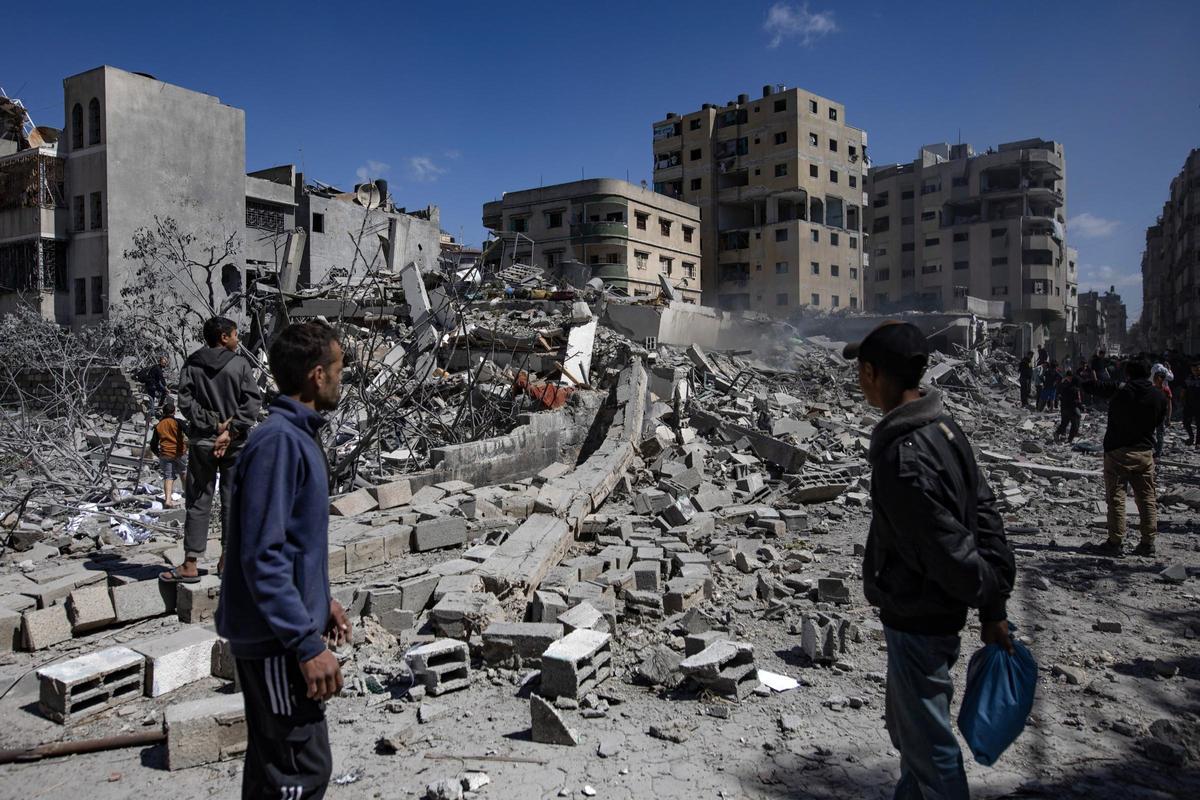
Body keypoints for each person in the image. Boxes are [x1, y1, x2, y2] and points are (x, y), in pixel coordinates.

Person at [843, 321, 1016, 800]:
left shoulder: (905, 458)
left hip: (919, 618)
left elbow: (950, 552)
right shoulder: (946, 429)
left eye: (861, 371)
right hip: (929, 614)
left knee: (928, 747)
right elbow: (985, 515)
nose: (858, 381)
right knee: (911, 735)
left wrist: (990, 600)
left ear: (873, 374)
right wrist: (994, 602)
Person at [216, 321, 350, 800]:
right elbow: (262, 555)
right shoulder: (278, 443)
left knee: (272, 767)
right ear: (317, 375)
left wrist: (322, 603)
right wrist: (305, 643)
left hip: (285, 634)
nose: (341, 379)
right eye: (338, 369)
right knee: (299, 771)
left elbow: (296, 544)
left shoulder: (299, 437)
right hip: (276, 645)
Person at [163, 317, 262, 584]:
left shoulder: (192, 364)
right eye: (235, 335)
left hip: (202, 444)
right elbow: (252, 402)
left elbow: (185, 402)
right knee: (233, 501)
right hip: (235, 444)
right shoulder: (240, 365)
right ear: (223, 337)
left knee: (198, 501)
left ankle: (191, 563)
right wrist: (231, 429)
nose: (238, 340)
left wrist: (212, 424)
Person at [1081, 357, 1167, 557]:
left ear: (1128, 373)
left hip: (1118, 452)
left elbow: (1092, 386)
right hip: (1144, 453)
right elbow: (1159, 422)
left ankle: (1115, 542)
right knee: (1147, 498)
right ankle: (1147, 543)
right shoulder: (1159, 396)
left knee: (1117, 498)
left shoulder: (1120, 390)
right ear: (1149, 374)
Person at [149, 400, 187, 508]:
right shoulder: (178, 422)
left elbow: (153, 444)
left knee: (168, 476)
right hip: (179, 452)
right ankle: (188, 494)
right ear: (174, 412)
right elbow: (189, 432)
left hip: (165, 454)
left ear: (163, 412)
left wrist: (159, 454)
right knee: (183, 472)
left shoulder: (159, 425)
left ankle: (168, 500)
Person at [1055, 369, 1083, 442]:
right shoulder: (1076, 390)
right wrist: (1081, 407)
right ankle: (1070, 439)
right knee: (1075, 425)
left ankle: (1057, 433)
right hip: (1072, 409)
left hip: (1064, 408)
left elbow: (1060, 396)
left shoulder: (1064, 386)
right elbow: (1078, 401)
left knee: (1064, 423)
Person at [1152, 368, 1173, 459]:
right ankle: (1157, 448)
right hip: (1151, 415)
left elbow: (1169, 405)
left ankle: (1158, 452)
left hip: (1161, 416)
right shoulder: (1151, 389)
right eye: (1156, 379)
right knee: (1149, 434)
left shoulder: (1166, 390)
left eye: (1160, 379)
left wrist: (1168, 418)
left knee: (1160, 435)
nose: (1158, 382)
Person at [1183, 361, 1200, 449]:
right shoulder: (1189, 378)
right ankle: (1191, 437)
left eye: (1197, 370)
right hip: (1189, 404)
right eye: (1194, 370)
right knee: (1186, 422)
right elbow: (1184, 390)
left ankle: (1198, 442)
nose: (1196, 372)